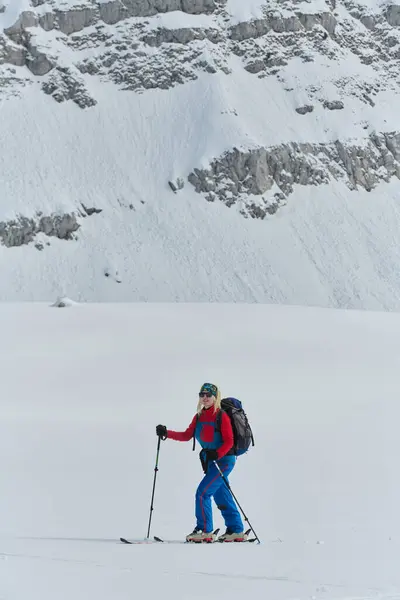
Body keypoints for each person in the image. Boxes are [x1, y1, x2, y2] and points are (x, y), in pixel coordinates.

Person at [156, 382, 247, 543]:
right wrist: (166, 433)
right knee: (220, 493)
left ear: (215, 397)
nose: (205, 398)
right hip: (213, 462)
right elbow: (186, 435)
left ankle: (205, 530)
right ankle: (236, 530)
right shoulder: (199, 416)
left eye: (208, 395)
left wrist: (217, 453)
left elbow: (229, 441)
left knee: (203, 493)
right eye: (202, 395)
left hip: (224, 461)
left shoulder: (221, 415)